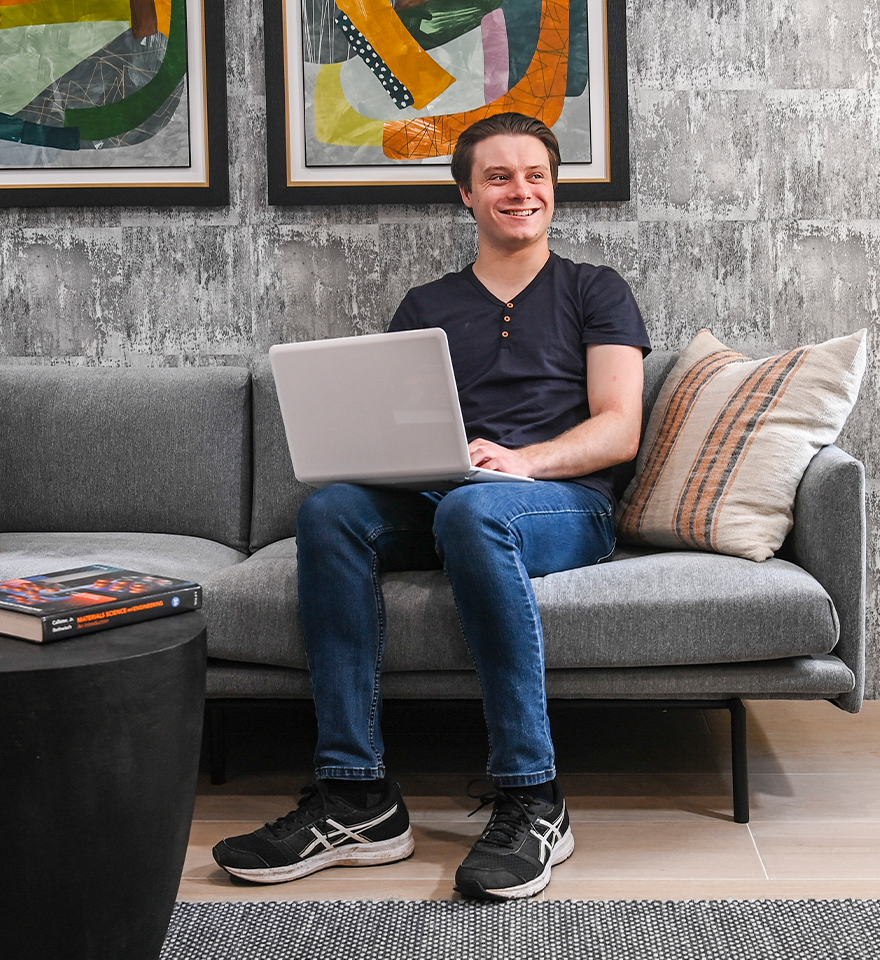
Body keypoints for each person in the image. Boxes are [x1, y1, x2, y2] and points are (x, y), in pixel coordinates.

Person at [212, 113, 650, 901]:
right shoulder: (427, 303)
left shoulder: (596, 288)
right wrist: (408, 463)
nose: (522, 191)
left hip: (560, 503)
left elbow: (619, 429)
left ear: (554, 189)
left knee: (473, 514)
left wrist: (521, 463)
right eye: (499, 177)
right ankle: (357, 798)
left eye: (536, 176)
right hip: (450, 497)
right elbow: (398, 430)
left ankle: (533, 795)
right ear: (465, 194)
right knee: (330, 509)